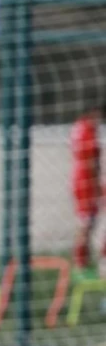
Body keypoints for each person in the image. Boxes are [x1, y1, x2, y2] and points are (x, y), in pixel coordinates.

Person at [71, 100, 104, 279]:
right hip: (86, 182)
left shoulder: (78, 127)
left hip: (78, 178)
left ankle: (82, 262)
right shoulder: (88, 130)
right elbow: (91, 160)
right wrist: (97, 183)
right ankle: (80, 265)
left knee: (86, 222)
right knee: (86, 223)